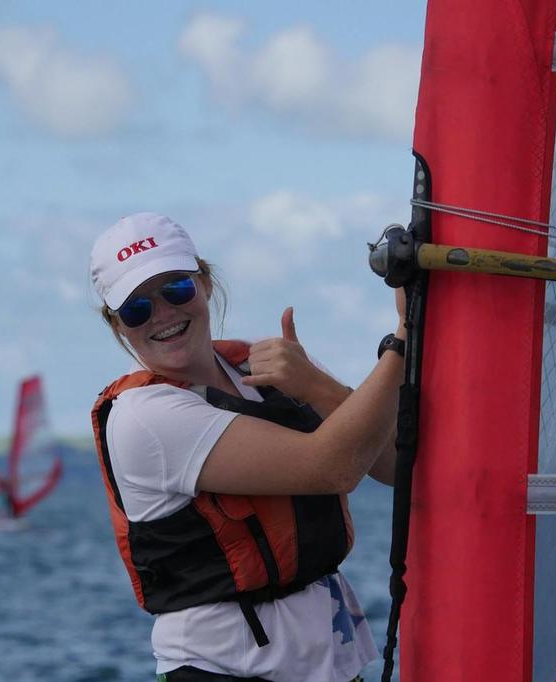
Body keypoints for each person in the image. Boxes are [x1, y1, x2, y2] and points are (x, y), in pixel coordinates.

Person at [89, 212, 405, 682]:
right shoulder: (144, 419)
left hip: (325, 656)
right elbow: (333, 467)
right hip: (225, 668)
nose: (163, 314)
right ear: (118, 326)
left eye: (175, 289)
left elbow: (393, 463)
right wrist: (404, 337)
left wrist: (315, 384)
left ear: (206, 284)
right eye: (137, 309)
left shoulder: (267, 366)